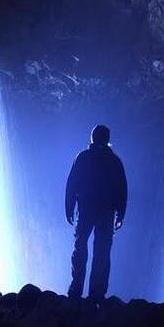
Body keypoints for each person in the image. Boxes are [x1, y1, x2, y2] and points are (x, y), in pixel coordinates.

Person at [65, 124, 127, 300]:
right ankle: (97, 294)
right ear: (108, 140)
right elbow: (122, 189)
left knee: (80, 248)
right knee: (102, 252)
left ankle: (75, 290)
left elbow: (71, 184)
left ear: (92, 139)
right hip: (106, 212)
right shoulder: (114, 161)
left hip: (85, 209)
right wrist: (121, 212)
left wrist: (69, 207)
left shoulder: (83, 157)